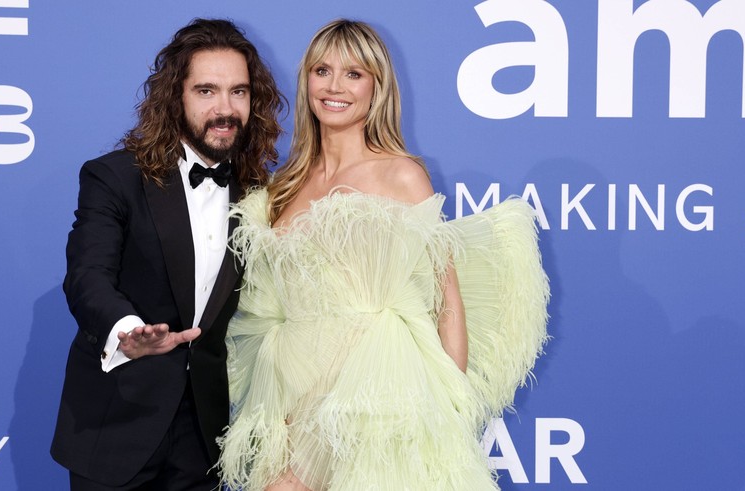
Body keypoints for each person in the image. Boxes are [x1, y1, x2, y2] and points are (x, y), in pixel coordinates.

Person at [217, 20, 549, 490]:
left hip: (377, 402)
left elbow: (445, 299)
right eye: (322, 70)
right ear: (306, 79)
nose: (334, 87)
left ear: (377, 87)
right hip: (294, 400)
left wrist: (449, 409)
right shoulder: (282, 186)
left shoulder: (402, 176)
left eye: (354, 74)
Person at [50, 18, 284, 490]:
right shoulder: (114, 177)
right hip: (117, 423)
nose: (225, 109)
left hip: (205, 437)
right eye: (206, 91)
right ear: (175, 96)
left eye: (239, 92)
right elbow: (87, 276)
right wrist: (128, 331)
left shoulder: (261, 195)